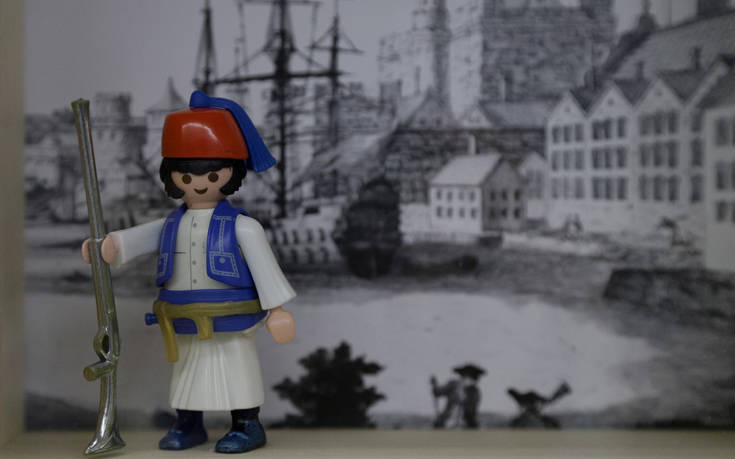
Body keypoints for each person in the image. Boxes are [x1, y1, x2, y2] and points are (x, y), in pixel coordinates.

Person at [81, 90, 295, 454]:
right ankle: (188, 423)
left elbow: (265, 267)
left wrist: (277, 309)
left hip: (232, 318)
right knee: (186, 373)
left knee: (236, 369)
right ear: (172, 176)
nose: (198, 183)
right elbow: (138, 239)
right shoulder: (172, 223)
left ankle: (247, 424)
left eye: (211, 174)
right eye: (186, 174)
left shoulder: (243, 227)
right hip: (180, 315)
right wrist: (109, 246)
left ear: (231, 173)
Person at [430, 363, 485, 428]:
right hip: (446, 421)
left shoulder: (475, 392)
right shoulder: (454, 384)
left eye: (472, 379)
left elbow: (471, 410)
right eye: (465, 376)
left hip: (465, 424)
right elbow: (438, 392)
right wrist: (434, 385)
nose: (467, 380)